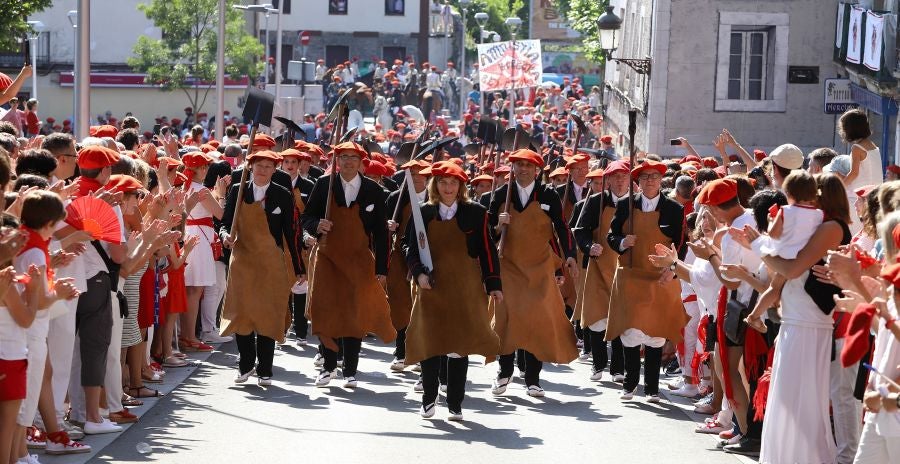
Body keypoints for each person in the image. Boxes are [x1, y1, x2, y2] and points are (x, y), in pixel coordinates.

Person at [732, 174, 850, 464]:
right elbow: (783, 275)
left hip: (810, 321)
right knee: (787, 393)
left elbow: (792, 269)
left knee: (804, 396)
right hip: (796, 319)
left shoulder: (832, 227)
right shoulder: (815, 226)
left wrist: (759, 246)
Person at [403, 161, 502, 421]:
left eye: (453, 183)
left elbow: (487, 250)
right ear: (436, 185)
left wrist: (493, 284)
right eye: (443, 183)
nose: (448, 187)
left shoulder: (477, 213)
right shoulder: (423, 212)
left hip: (465, 288)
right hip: (431, 286)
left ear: (461, 187)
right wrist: (419, 274)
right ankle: (428, 398)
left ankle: (455, 402)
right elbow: (411, 249)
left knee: (459, 346)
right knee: (431, 341)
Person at [302, 141, 396, 388]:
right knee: (326, 311)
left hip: (359, 260)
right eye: (343, 157)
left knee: (355, 313)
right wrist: (316, 225)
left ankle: (350, 370)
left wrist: (382, 269)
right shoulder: (324, 184)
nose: (347, 161)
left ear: (361, 161)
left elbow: (381, 233)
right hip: (327, 257)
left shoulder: (374, 191)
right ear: (336, 160)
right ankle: (328, 365)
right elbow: (307, 217)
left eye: (353, 157)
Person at [488, 149, 579, 397]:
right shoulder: (500, 195)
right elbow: (486, 232)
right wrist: (498, 224)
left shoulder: (548, 194)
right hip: (508, 266)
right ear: (513, 169)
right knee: (507, 319)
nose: (523, 170)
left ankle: (532, 378)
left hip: (540, 267)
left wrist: (569, 254)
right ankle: (504, 371)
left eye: (528, 166)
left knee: (536, 320)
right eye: (518, 165)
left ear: (537, 170)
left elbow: (562, 226)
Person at [220, 149, 304, 386]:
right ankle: (245, 364)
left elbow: (292, 233)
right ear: (251, 167)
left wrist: (299, 267)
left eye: (268, 166)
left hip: (270, 264)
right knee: (242, 313)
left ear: (274, 170)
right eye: (259, 165)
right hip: (243, 262)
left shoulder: (283, 195)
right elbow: (225, 223)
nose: (262, 170)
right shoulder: (238, 191)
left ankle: (265, 368)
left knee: (267, 314)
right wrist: (226, 236)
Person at [606, 160, 686, 403]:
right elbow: (611, 235)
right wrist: (621, 242)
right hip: (631, 274)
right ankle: (630, 384)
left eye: (654, 176)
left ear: (661, 180)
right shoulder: (624, 205)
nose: (649, 180)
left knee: (656, 332)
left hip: (661, 277)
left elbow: (681, 243)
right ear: (637, 182)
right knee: (630, 331)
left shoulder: (674, 209)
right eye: (644, 177)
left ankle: (652, 387)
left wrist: (673, 270)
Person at [744, 171, 823, 332]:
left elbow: (773, 234)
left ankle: (754, 316)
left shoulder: (784, 211)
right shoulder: (819, 214)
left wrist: (771, 221)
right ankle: (757, 316)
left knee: (774, 288)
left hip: (784, 255)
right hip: (805, 258)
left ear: (789, 192)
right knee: (777, 289)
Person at [385, 160, 429, 372]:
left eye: (420, 173)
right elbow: (380, 227)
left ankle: (422, 355)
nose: (416, 176)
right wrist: (389, 227)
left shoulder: (434, 199)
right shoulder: (396, 198)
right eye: (412, 173)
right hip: (401, 257)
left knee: (422, 307)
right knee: (401, 305)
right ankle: (401, 352)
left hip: (429, 259)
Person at [278, 149, 316, 346]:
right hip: (281, 242)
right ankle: (282, 327)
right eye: (286, 162)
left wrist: (308, 235)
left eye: (294, 161)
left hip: (302, 242)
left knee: (301, 286)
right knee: (281, 286)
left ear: (300, 164)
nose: (290, 165)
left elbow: (311, 215)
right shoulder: (274, 185)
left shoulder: (309, 186)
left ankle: (301, 330)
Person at [839, 109, 885, 234]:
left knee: (856, 232)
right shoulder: (873, 146)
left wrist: (839, 186)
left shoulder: (857, 148)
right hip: (874, 194)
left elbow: (854, 173)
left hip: (858, 196)